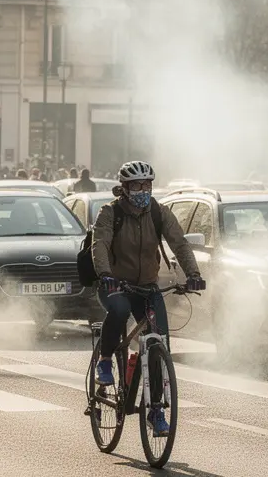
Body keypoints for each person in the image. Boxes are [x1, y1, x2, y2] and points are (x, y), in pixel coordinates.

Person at [91, 160, 205, 437]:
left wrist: (193, 273)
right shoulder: (110, 212)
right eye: (137, 186)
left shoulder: (159, 212)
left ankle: (156, 410)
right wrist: (105, 272)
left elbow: (179, 243)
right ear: (125, 188)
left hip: (146, 286)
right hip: (115, 283)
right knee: (118, 311)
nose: (143, 190)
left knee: (159, 342)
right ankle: (105, 360)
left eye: (147, 185)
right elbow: (100, 244)